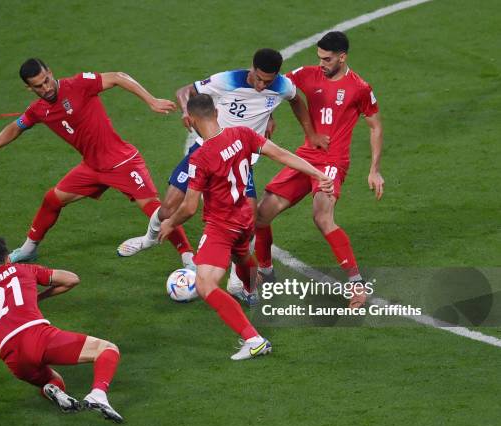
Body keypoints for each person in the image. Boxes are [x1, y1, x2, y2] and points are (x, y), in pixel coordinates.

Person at [117, 49, 328, 300]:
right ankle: (149, 237)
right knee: (167, 208)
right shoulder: (227, 80)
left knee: (246, 224)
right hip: (204, 152)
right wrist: (186, 111)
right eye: (258, 79)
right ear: (252, 68)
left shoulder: (282, 86)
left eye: (267, 82)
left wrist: (303, 130)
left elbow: (294, 102)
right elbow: (186, 90)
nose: (262, 86)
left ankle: (238, 284)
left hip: (240, 156)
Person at [0, 58, 194, 267]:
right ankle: (28, 249)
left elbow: (116, 77)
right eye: (38, 86)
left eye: (47, 80)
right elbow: (16, 126)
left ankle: (188, 257)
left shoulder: (77, 84)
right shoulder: (39, 110)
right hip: (92, 168)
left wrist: (151, 100)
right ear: (29, 88)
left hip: (122, 162)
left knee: (158, 211)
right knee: (52, 199)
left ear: (50, 72)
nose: (46, 88)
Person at [158, 94, 333, 359]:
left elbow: (190, 207)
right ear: (216, 112)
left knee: (205, 285)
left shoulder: (201, 157)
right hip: (245, 218)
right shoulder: (242, 134)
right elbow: (281, 154)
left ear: (192, 121)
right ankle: (252, 290)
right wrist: (318, 173)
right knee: (241, 256)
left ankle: (253, 340)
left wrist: (170, 222)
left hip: (221, 225)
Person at [254, 31, 384, 309]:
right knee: (261, 215)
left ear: (342, 57)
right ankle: (265, 272)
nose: (322, 63)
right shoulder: (306, 74)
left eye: (327, 59)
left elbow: (375, 126)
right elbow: (276, 87)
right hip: (304, 157)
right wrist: (271, 116)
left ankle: (356, 284)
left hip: (333, 162)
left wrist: (374, 169)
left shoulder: (359, 87)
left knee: (322, 217)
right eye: (319, 58)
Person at [0, 237, 123, 422]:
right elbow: (72, 280)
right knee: (107, 349)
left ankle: (51, 390)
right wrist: (39, 297)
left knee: (55, 382)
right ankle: (98, 394)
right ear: (8, 259)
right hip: (37, 337)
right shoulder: (23, 269)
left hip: (12, 358)